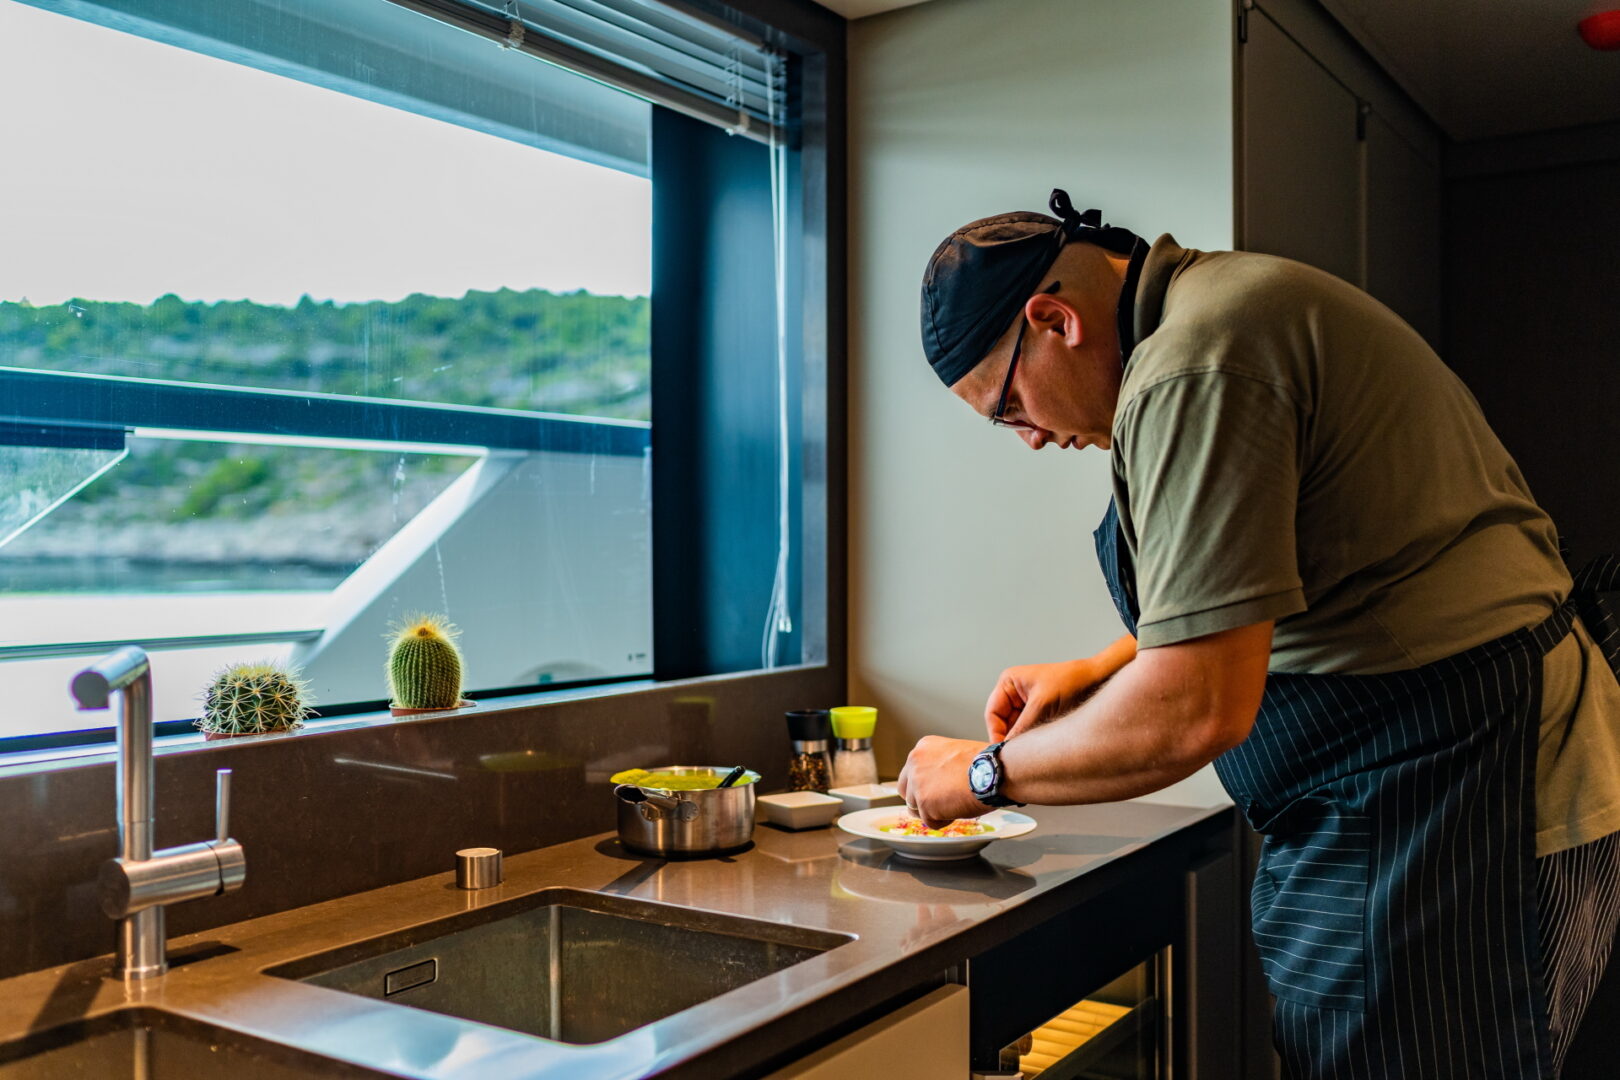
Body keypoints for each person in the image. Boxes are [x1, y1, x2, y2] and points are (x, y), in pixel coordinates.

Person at [894, 189, 1620, 1078]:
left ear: (1053, 321)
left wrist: (980, 776)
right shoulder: (1211, 314)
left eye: (1007, 408)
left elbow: (1193, 712)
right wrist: (1101, 667)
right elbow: (1276, 569)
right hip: (1406, 786)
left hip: (1453, 787)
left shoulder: (1194, 365)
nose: (1031, 438)